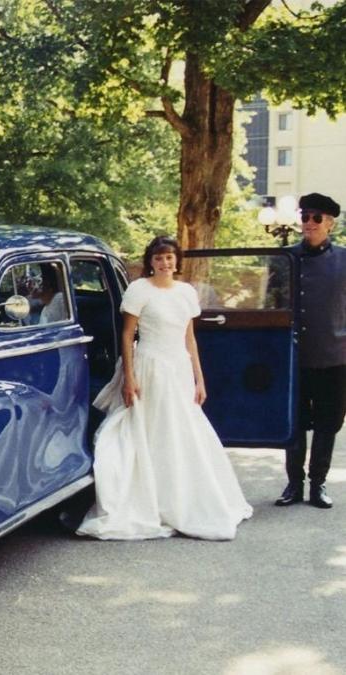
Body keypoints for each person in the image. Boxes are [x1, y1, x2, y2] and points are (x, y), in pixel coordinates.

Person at [76, 236, 253, 540]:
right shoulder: (139, 290)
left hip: (178, 368)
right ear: (151, 261)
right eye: (159, 258)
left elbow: (190, 339)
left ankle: (184, 498)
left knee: (182, 430)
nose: (165, 263)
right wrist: (129, 378)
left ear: (176, 261)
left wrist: (199, 378)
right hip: (149, 366)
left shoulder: (185, 292)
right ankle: (147, 499)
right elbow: (128, 335)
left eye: (170, 258)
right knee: (149, 429)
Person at [275, 193, 346, 509]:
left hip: (334, 356)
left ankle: (318, 484)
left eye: (317, 218)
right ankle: (294, 483)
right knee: (295, 422)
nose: (309, 223)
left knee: (328, 423)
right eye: (305, 216)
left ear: (330, 224)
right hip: (294, 357)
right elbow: (272, 303)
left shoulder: (344, 259)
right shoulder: (285, 257)